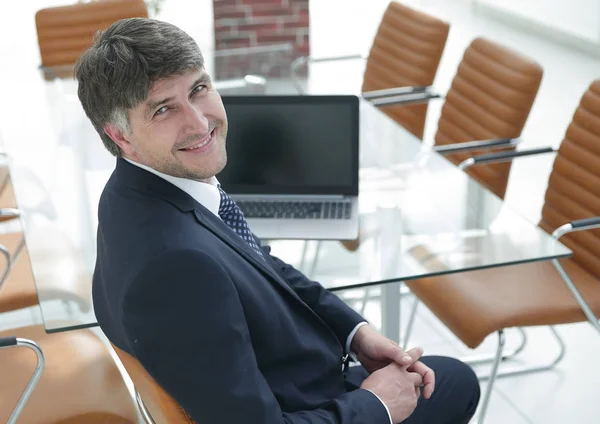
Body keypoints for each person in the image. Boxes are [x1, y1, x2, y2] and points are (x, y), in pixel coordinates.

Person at [76, 17, 480, 423]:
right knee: (456, 381)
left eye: (198, 89)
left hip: (286, 375)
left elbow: (259, 261)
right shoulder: (174, 269)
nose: (200, 124)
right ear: (120, 136)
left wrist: (356, 334)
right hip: (304, 404)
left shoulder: (139, 189)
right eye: (164, 109)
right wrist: (376, 406)